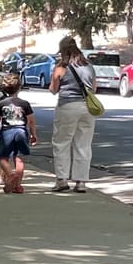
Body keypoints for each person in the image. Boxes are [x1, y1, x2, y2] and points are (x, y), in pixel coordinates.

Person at [49, 35, 98, 192]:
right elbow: (94, 89)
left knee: (62, 142)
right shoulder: (89, 66)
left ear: (62, 50)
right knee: (83, 143)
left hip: (68, 106)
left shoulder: (61, 67)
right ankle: (81, 181)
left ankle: (62, 179)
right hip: (88, 108)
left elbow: (53, 89)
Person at [0, 73, 36, 192]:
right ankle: (18, 185)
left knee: (3, 157)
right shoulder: (24, 103)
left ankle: (11, 175)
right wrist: (33, 134)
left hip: (7, 132)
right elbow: (31, 121)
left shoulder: (1, 103)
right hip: (21, 131)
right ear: (19, 87)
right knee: (19, 159)